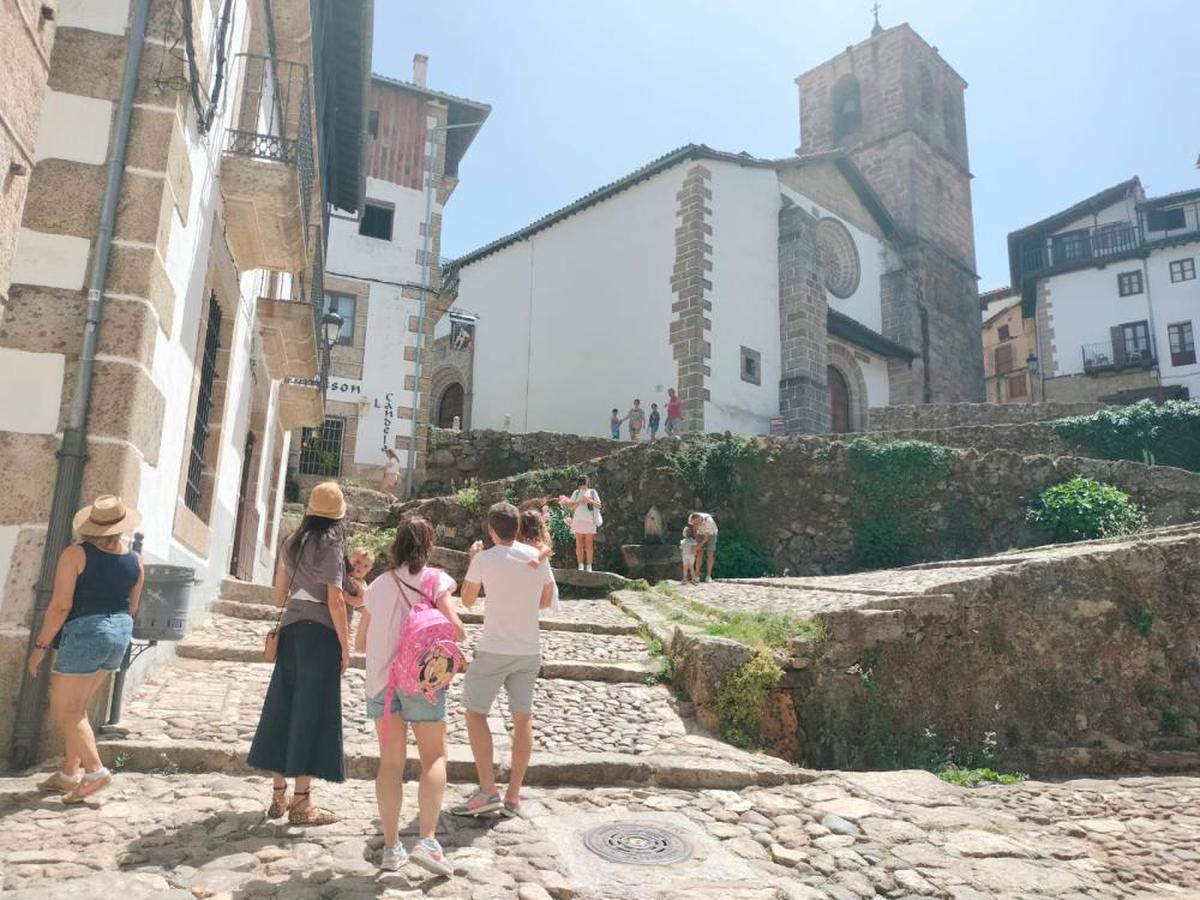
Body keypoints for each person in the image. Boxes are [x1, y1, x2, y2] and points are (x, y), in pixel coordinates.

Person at [356, 516, 464, 876]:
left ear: (396, 545)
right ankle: (429, 842)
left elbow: (361, 641)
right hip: (422, 683)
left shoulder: (378, 585)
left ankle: (391, 847)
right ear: (428, 545)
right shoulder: (435, 580)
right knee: (434, 757)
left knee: (390, 763)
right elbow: (457, 630)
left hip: (382, 685)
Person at [28, 495, 144, 803]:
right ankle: (69, 773)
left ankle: (94, 772)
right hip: (119, 633)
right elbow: (132, 606)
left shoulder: (75, 554)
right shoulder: (135, 559)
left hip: (87, 632)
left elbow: (61, 605)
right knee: (79, 706)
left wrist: (41, 646)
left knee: (66, 708)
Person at [247, 481, 351, 825]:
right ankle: (303, 803)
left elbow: (278, 598)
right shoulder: (333, 546)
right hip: (320, 636)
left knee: (283, 706)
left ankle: (279, 796)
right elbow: (335, 600)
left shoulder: (290, 543)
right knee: (312, 712)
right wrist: (346, 647)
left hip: (291, 633)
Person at [454, 503, 554, 818]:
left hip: (494, 647)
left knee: (475, 713)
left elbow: (468, 601)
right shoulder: (536, 555)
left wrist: (473, 561)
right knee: (523, 719)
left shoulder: (483, 558)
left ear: (492, 530)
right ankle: (513, 795)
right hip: (528, 649)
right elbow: (547, 600)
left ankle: (488, 789)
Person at [519, 509, 561, 616]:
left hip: (540, 585)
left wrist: (537, 558)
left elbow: (545, 549)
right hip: (537, 584)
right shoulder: (526, 543)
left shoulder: (535, 543)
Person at [566, 474, 602, 572]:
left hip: (589, 521)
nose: (583, 485)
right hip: (578, 520)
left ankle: (589, 565)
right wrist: (579, 502)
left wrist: (589, 500)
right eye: (581, 482)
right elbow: (571, 508)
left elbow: (599, 506)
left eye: (584, 482)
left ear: (588, 482)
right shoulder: (576, 493)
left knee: (589, 545)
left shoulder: (593, 492)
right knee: (579, 545)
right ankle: (580, 565)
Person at [688, 511, 719, 583]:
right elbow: (694, 529)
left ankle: (708, 576)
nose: (695, 525)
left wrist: (697, 547)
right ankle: (696, 576)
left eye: (696, 523)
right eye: (694, 523)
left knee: (710, 553)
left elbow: (706, 538)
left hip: (711, 534)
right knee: (699, 553)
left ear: (699, 519)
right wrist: (696, 542)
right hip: (700, 533)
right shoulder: (691, 517)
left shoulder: (709, 521)